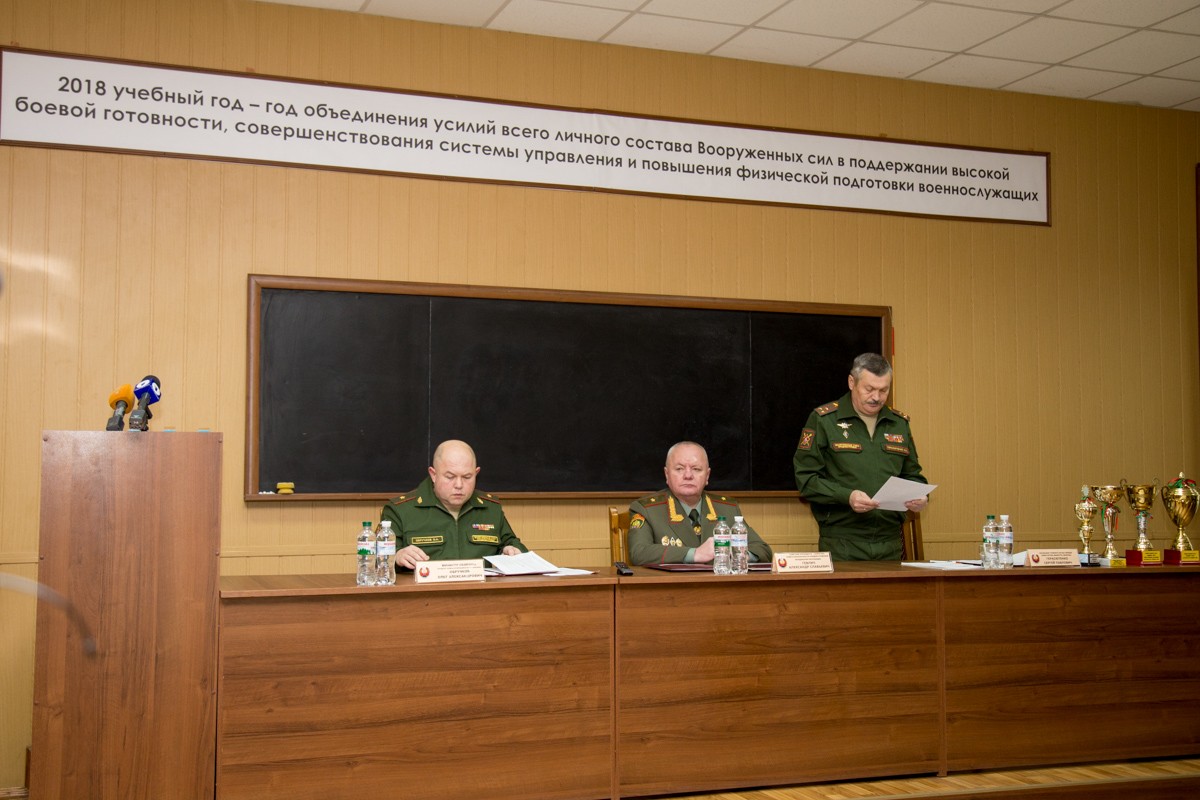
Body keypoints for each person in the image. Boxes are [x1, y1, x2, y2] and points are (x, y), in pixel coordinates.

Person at [793, 353, 928, 561]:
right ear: (851, 382)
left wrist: (921, 496)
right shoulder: (824, 420)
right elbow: (807, 480)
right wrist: (847, 496)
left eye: (883, 390)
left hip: (890, 541)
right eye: (869, 389)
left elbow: (913, 475)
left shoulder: (899, 424)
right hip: (842, 542)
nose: (876, 397)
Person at [381, 439, 526, 569]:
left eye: (467, 477)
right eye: (450, 477)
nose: (459, 485)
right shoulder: (400, 510)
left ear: (476, 473)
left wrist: (512, 550)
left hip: (480, 589)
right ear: (433, 474)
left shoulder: (491, 508)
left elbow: (513, 544)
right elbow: (378, 560)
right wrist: (397, 556)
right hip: (424, 590)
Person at [628, 441, 772, 566]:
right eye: (679, 469)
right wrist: (694, 554)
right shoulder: (647, 509)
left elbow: (762, 550)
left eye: (696, 469)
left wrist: (740, 555)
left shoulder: (727, 509)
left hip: (721, 586)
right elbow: (639, 552)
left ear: (707, 475)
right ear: (667, 474)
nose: (688, 475)